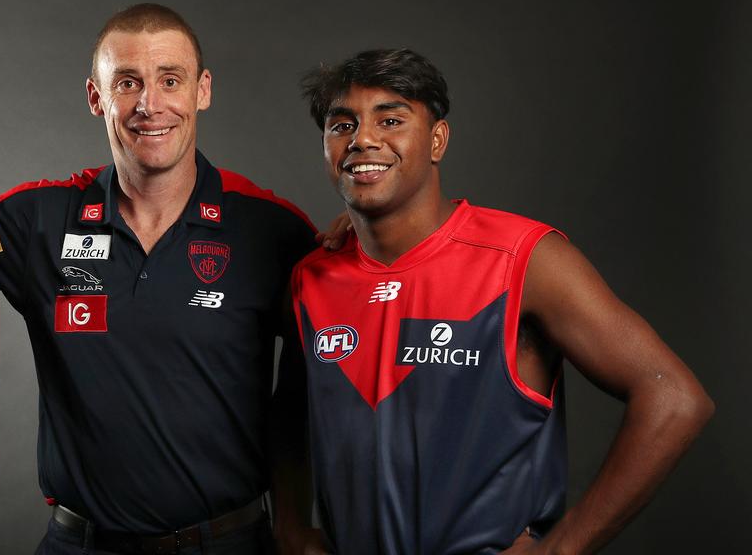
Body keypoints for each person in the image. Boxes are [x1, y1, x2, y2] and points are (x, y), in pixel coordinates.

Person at [292, 49, 713, 554]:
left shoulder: (523, 259)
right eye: (342, 125)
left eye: (391, 119)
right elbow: (291, 408)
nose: (363, 138)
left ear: (437, 140)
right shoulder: (312, 277)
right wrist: (291, 527)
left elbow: (674, 399)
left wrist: (561, 550)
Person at [0, 3, 319, 554]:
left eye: (170, 80)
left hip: (229, 544)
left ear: (202, 90)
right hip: (80, 545)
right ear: (96, 97)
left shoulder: (271, 229)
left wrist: (298, 523)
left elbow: (332, 377)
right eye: (128, 82)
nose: (150, 105)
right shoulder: (34, 221)